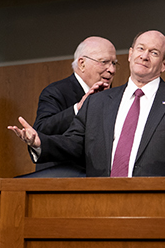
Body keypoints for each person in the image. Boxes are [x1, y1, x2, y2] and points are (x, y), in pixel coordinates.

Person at [9, 30, 165, 177]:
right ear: (130, 54)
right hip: (100, 202)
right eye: (140, 49)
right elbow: (73, 144)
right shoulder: (98, 102)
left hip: (159, 207)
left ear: (164, 64)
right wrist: (41, 142)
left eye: (153, 52)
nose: (144, 55)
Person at [32, 36, 117, 171]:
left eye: (114, 63)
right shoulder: (56, 91)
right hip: (60, 180)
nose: (112, 70)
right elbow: (41, 130)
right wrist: (78, 108)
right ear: (82, 63)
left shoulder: (112, 97)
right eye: (104, 62)